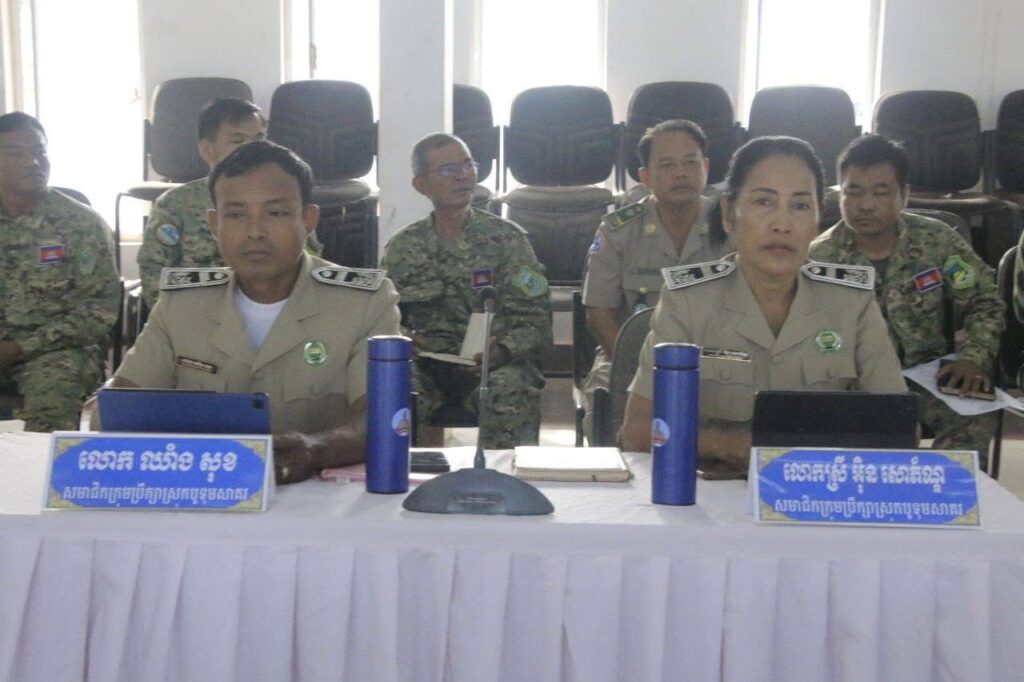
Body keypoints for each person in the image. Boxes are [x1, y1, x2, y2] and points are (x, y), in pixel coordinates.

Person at [110, 141, 400, 483]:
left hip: (322, 494)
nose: (255, 231)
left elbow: (383, 417)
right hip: (204, 491)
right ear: (215, 224)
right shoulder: (182, 303)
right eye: (236, 215)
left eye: (275, 213)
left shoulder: (364, 302)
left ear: (308, 219)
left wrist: (317, 448)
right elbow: (118, 408)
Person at [620, 136, 907, 471]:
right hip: (715, 489)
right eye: (764, 202)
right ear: (728, 213)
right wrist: (730, 445)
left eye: (800, 206)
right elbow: (637, 432)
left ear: (818, 219)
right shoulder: (688, 301)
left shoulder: (850, 301)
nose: (782, 225)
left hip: (820, 487)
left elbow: (901, 427)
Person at [809, 134, 1003, 459]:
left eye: (880, 192)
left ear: (904, 195)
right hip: (852, 384)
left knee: (975, 412)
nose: (865, 205)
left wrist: (973, 357)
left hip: (927, 376)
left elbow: (984, 300)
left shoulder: (936, 241)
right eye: (853, 192)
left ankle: (943, 487)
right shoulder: (819, 258)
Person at [380, 133, 552, 449]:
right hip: (427, 367)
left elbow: (535, 319)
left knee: (510, 388)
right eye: (448, 169)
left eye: (468, 165)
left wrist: (503, 350)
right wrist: (401, 335)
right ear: (421, 184)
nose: (463, 175)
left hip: (495, 363)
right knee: (393, 385)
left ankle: (504, 475)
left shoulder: (507, 240)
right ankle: (399, 473)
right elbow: (381, 315)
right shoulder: (402, 248)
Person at [581, 119, 731, 440]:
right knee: (602, 406)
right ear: (645, 177)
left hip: (715, 358)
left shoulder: (731, 228)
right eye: (667, 165)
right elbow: (599, 314)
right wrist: (638, 370)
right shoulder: (618, 230)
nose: (681, 173)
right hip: (628, 357)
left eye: (690, 163)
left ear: (705, 168)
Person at [137, 97, 321, 310]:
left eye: (259, 139)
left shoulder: (287, 200)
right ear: (208, 150)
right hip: (196, 317)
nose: (253, 149)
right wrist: (186, 320)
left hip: (280, 313)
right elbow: (154, 276)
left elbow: (309, 268)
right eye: (238, 141)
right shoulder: (174, 205)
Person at [0, 112, 120, 431]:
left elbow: (99, 311)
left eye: (39, 151)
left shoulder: (81, 224)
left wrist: (20, 347)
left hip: (57, 352)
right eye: (15, 153)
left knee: (49, 412)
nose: (32, 162)